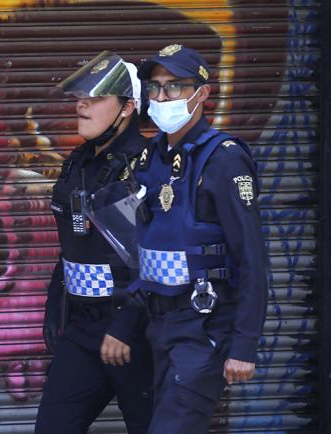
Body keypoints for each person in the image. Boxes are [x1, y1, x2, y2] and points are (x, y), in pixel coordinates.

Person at [128, 44, 269, 433]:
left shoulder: (224, 158)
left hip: (203, 326)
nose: (161, 97)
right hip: (158, 325)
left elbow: (252, 258)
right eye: (154, 88)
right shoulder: (151, 157)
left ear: (202, 93)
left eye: (174, 87)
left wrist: (244, 346)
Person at [35, 51, 153, 434]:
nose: (82, 104)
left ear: (127, 108)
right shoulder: (80, 162)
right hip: (83, 331)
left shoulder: (143, 166)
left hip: (134, 334)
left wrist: (124, 326)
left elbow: (152, 261)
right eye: (80, 96)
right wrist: (57, 307)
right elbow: (72, 242)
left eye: (97, 97)